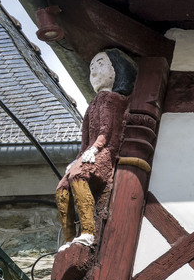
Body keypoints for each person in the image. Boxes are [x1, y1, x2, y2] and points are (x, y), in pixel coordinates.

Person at [55, 49, 135, 251]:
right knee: (62, 189)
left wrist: (95, 149)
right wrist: (78, 157)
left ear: (117, 70)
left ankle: (88, 232)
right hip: (89, 152)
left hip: (106, 152)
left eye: (101, 64)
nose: (95, 71)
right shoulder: (92, 104)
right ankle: (69, 239)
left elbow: (106, 131)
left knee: (79, 178)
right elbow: (84, 138)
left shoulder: (112, 99)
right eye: (91, 67)